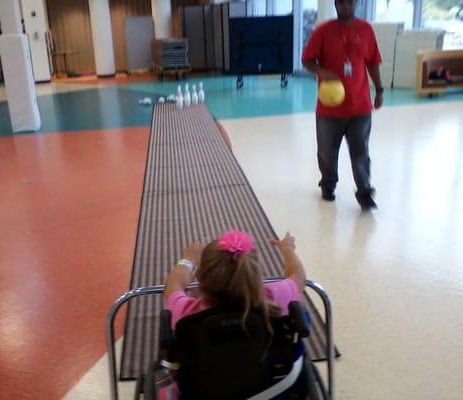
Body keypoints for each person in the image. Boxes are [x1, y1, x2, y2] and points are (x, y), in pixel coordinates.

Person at [302, 0, 383, 210]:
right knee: (327, 152)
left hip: (360, 106)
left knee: (361, 153)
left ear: (355, 3)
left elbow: (373, 62)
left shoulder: (366, 30)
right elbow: (307, 60)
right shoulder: (323, 32)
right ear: (336, 4)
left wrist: (380, 89)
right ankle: (328, 184)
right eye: (341, 3)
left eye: (350, 2)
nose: (346, 6)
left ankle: (365, 192)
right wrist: (322, 72)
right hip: (329, 108)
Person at [164, 230, 306, 331]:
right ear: (257, 274)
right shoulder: (275, 296)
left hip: (206, 372)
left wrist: (188, 260)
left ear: (199, 276)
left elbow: (174, 283)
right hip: (270, 371)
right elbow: (297, 274)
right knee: (298, 302)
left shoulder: (185, 311)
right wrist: (287, 249)